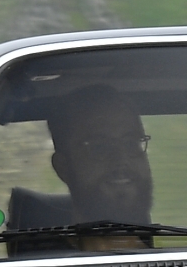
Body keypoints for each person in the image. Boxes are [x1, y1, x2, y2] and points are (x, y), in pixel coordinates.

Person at [17, 90, 155, 252]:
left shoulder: (177, 253)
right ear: (63, 167)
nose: (121, 160)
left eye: (131, 143)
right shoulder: (44, 265)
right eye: (99, 147)